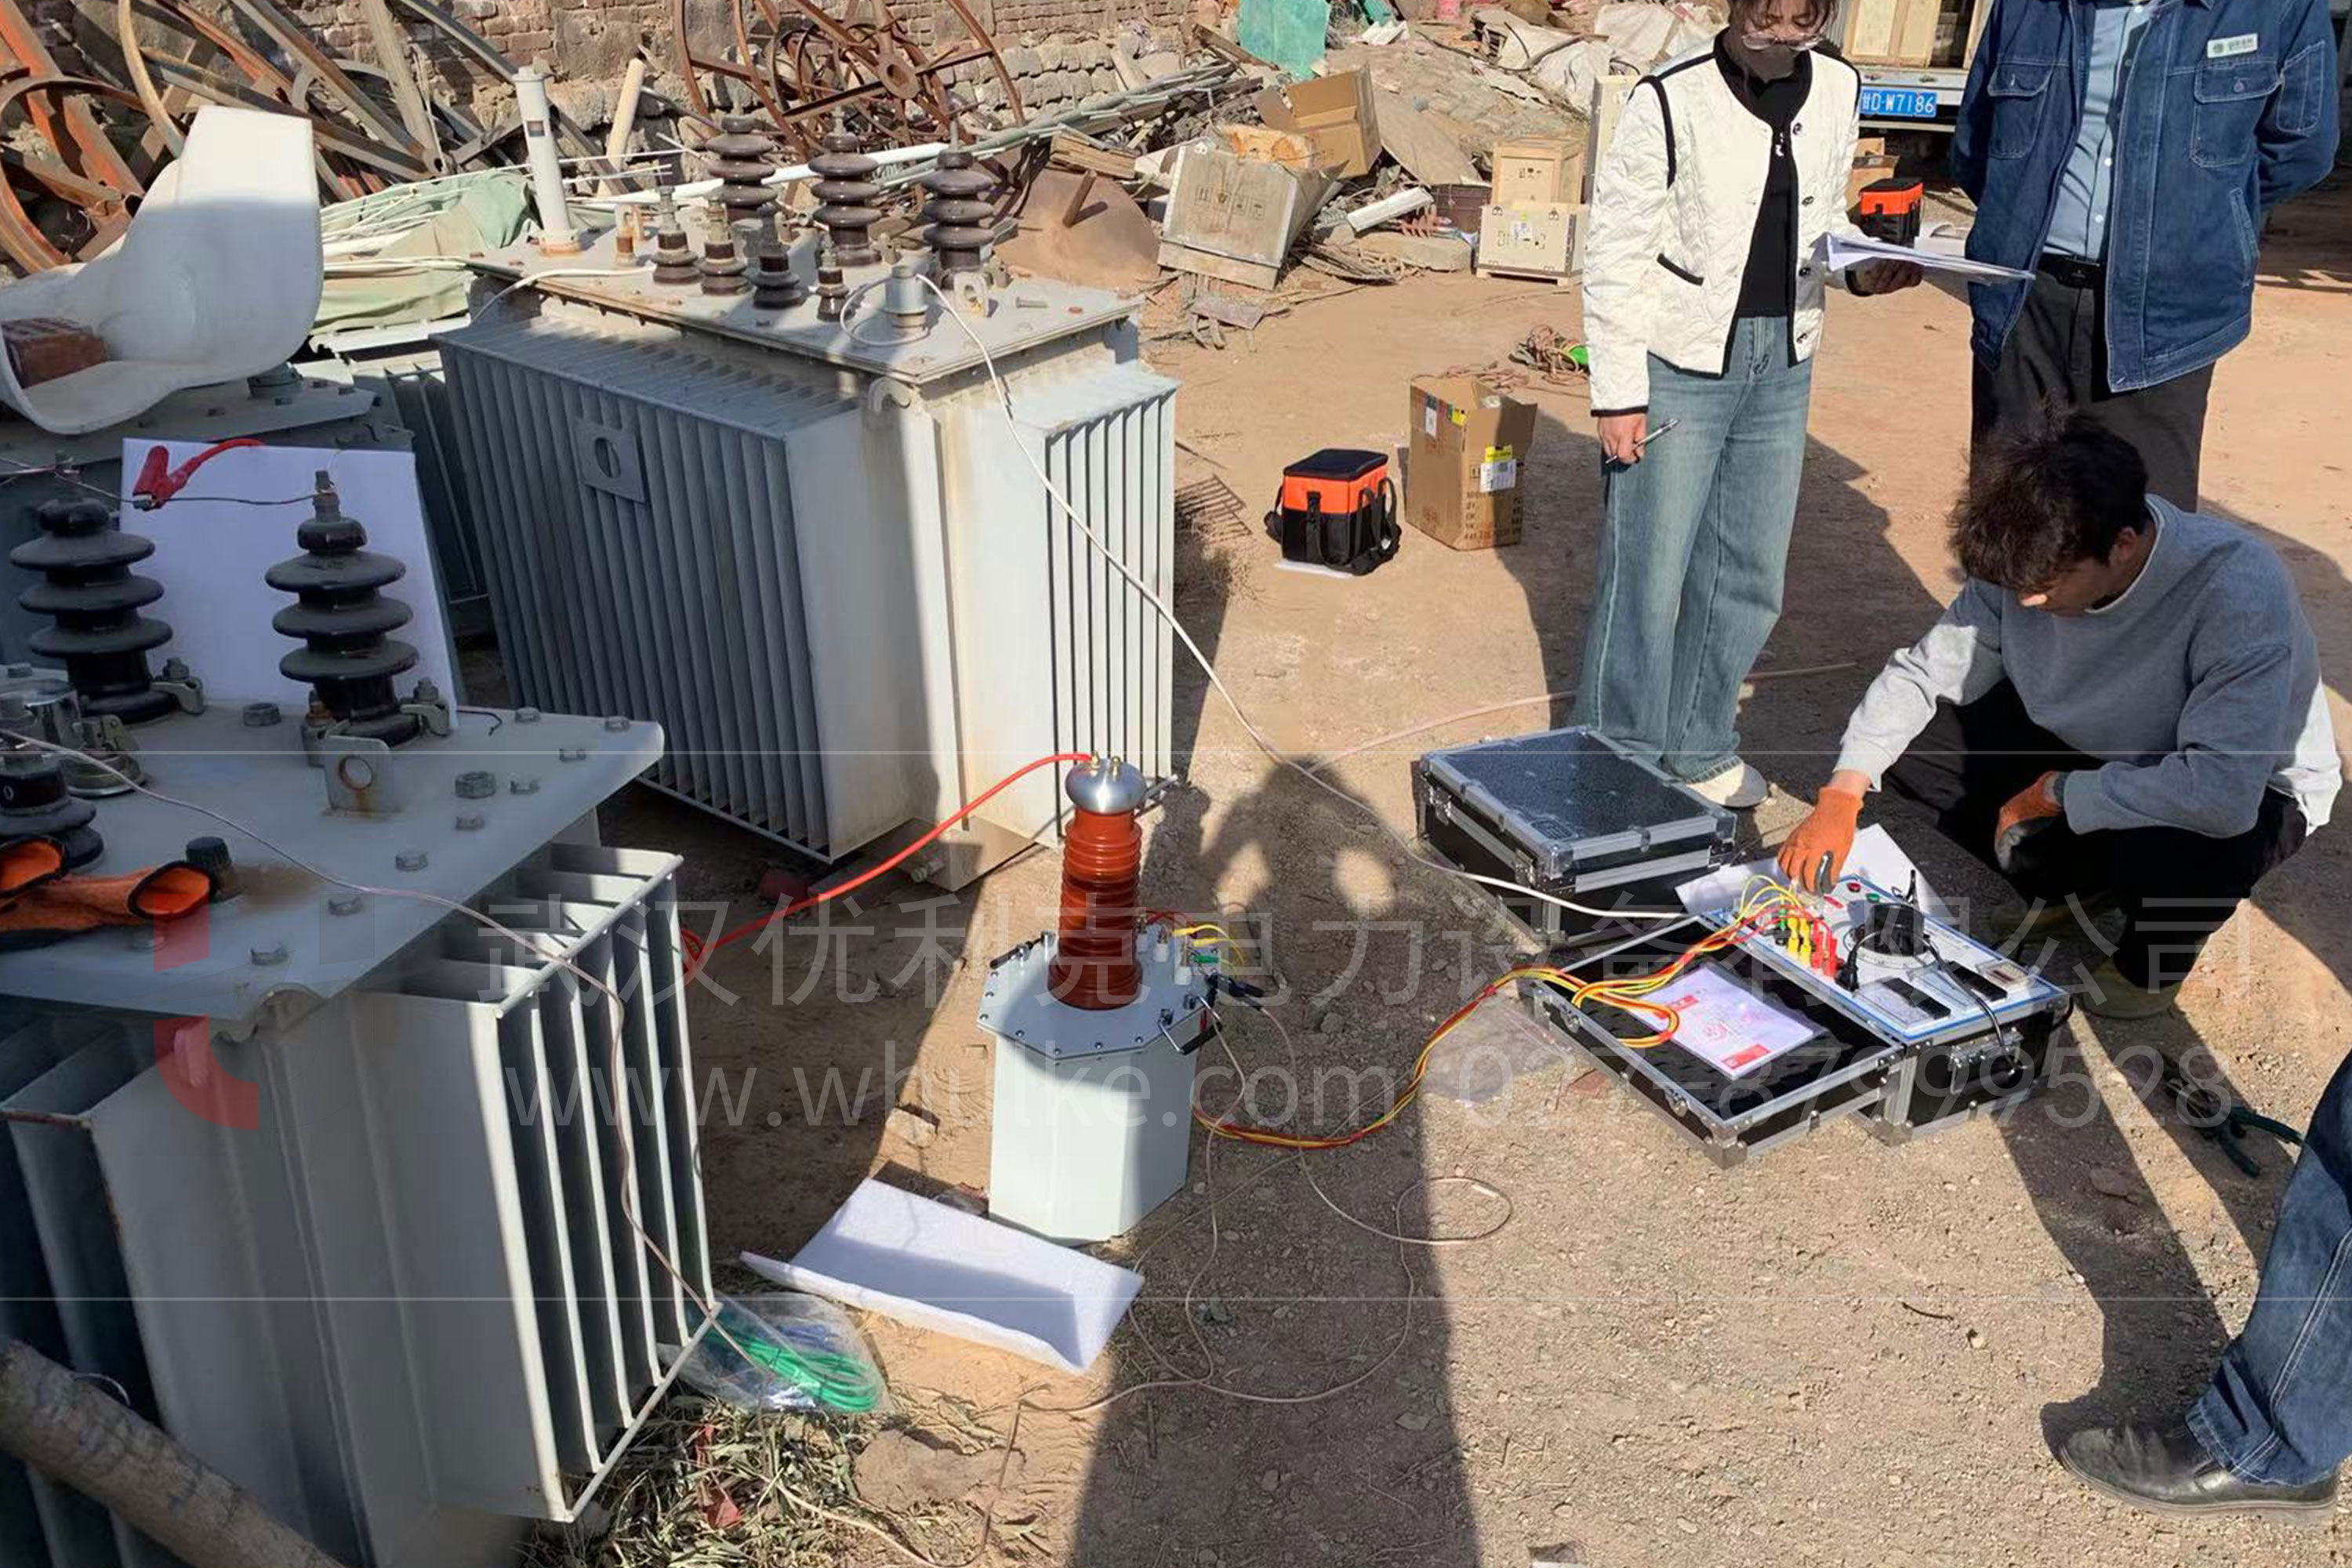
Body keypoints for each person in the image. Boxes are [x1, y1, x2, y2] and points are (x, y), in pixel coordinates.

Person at [1776, 411, 2337, 1017]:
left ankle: (2151, 961)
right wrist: (1843, 793)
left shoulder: (2235, 587)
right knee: (1910, 745)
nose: (2026, 601)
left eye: (2045, 587)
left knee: (2182, 845)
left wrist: (2059, 793)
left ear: (2122, 544)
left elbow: (2223, 792)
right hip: (2100, 748)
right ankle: (2082, 883)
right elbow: (1922, 675)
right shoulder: (2023, 561)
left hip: (2240, 788)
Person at [1575, 0, 1921, 809]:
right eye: (1768, 19)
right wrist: (1619, 394)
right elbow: (1617, 252)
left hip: (1782, 360)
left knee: (1749, 571)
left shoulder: (1837, 86)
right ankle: (1616, 760)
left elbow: (1822, 219)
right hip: (1680, 359)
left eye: (1804, 22)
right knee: (1648, 575)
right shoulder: (1671, 97)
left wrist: (1862, 270)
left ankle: (1698, 746)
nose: (1784, 38)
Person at [1953, 0, 2339, 509]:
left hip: (2166, 321)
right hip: (2023, 305)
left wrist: (2199, 214)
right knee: (2011, 518)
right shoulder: (2029, 7)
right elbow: (1974, 145)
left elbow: (2301, 150)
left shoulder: (2277, 9)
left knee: (2138, 529)